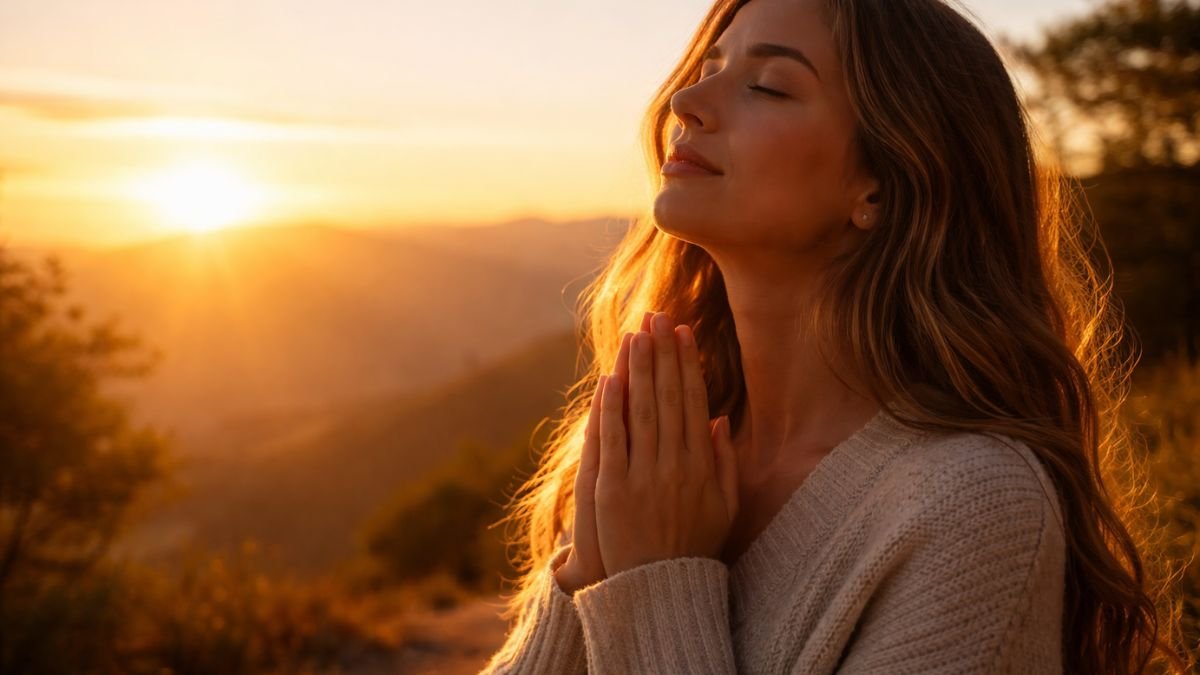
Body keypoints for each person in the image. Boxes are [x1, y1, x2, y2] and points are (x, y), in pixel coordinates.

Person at [480, 0, 1191, 673]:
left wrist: (653, 583)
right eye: (708, 69)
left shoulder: (972, 507)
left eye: (767, 85)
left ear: (879, 184)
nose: (686, 101)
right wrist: (586, 571)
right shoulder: (666, 451)